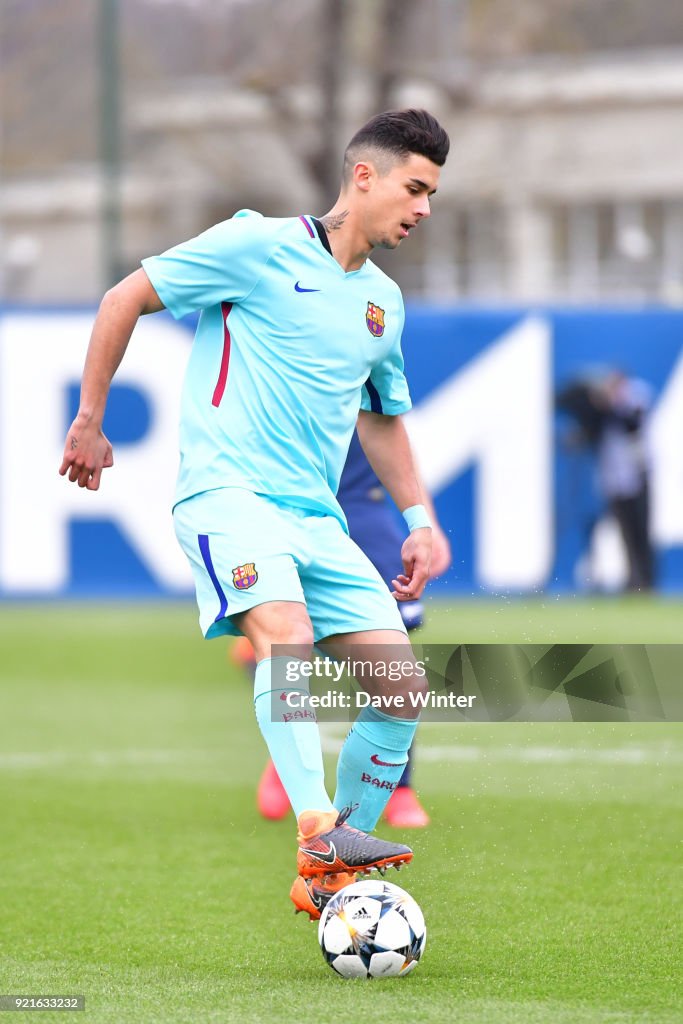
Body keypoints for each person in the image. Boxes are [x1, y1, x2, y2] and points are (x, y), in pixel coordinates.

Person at [60, 108, 450, 921]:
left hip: (316, 520)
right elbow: (123, 298)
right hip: (227, 497)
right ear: (364, 176)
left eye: (432, 195)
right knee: (288, 636)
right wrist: (90, 419)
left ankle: (332, 866)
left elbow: (380, 418)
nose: (421, 209)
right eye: (414, 188)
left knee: (401, 686)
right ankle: (315, 823)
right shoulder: (254, 244)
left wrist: (418, 515)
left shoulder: (382, 304)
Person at [248, 428, 452, 827]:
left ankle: (401, 787)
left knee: (394, 660)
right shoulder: (272, 371)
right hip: (295, 510)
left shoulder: (367, 368)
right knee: (292, 642)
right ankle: (287, 765)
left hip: (363, 511)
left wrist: (425, 522)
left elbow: (393, 435)